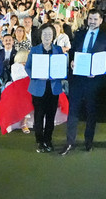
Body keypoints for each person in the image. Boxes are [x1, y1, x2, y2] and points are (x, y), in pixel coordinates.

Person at [60, 10, 106, 155]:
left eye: (95, 19)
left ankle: (89, 142)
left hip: (94, 81)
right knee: (73, 111)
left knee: (91, 112)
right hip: (77, 79)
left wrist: (98, 71)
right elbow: (72, 51)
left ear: (101, 21)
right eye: (90, 19)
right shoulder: (79, 34)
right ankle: (69, 142)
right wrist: (71, 61)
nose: (92, 21)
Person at [25, 24, 65, 153]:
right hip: (38, 87)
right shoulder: (35, 50)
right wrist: (36, 75)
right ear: (40, 35)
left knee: (50, 116)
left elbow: (62, 67)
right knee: (39, 115)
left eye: (50, 34)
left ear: (53, 36)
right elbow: (27, 67)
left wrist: (60, 73)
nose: (47, 36)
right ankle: (40, 141)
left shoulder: (58, 49)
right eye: (45, 34)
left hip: (53, 87)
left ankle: (48, 140)